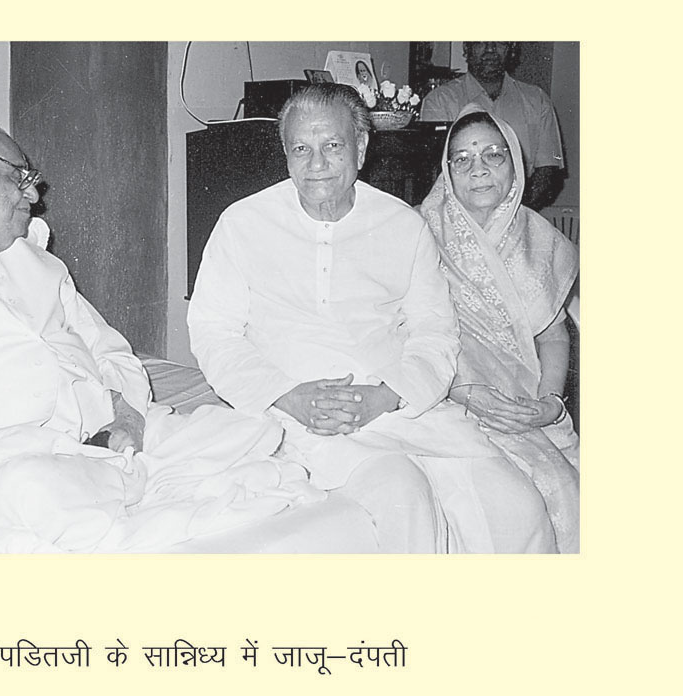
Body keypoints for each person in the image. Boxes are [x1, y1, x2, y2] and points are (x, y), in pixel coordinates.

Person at [0, 120, 323, 552]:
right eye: (19, 179)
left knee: (256, 429)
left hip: (104, 438)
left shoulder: (41, 263)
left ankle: (124, 481)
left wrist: (128, 416)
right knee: (24, 490)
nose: (33, 196)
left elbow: (110, 349)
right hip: (0, 457)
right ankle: (135, 491)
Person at [187, 83, 559, 553]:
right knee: (404, 497)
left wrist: (387, 396)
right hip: (302, 417)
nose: (316, 163)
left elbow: (435, 333)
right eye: (301, 149)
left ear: (361, 147)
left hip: (402, 409)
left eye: (332, 145)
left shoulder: (402, 224)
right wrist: (287, 395)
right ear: (285, 153)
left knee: (517, 505)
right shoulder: (242, 223)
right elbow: (213, 332)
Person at [419, 105, 580, 552]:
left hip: (524, 405)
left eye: (493, 155)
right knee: (516, 502)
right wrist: (462, 390)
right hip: (444, 398)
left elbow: (553, 334)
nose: (479, 170)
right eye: (462, 159)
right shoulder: (417, 232)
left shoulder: (542, 240)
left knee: (570, 491)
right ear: (447, 172)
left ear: (516, 164)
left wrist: (549, 404)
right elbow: (399, 332)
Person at [419, 42, 564, 210]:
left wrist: (508, 215)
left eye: (499, 42)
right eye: (481, 42)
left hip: (521, 212)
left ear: (511, 49)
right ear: (467, 48)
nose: (490, 49)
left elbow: (548, 171)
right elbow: (435, 176)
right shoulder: (440, 101)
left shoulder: (536, 100)